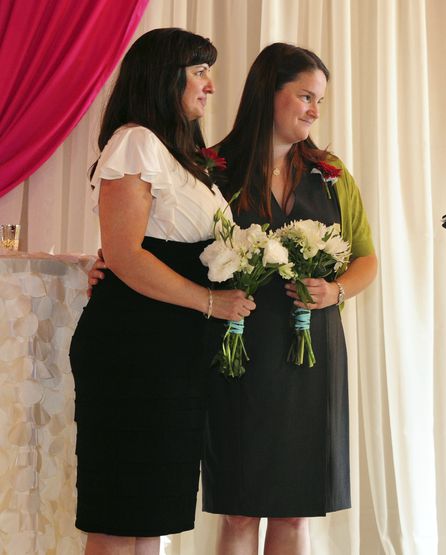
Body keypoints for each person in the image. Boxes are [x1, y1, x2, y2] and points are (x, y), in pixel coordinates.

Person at [69, 28, 255, 555]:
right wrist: (211, 302)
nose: (210, 85)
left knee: (152, 515)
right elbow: (126, 253)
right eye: (198, 72)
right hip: (134, 346)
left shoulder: (182, 155)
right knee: (119, 513)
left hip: (172, 349)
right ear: (163, 77)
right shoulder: (137, 141)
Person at [202, 42, 378, 555]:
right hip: (237, 354)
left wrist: (335, 291)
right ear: (268, 92)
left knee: (295, 510)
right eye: (305, 96)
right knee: (238, 508)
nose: (314, 111)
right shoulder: (212, 170)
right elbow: (169, 246)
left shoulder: (332, 172)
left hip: (311, 356)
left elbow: (366, 259)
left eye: (319, 100)